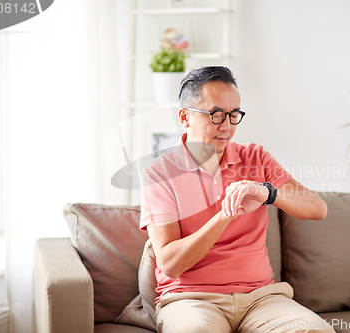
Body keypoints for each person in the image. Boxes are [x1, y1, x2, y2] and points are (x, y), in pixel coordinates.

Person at [140, 66, 335, 333]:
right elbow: (171, 264)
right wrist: (225, 214)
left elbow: (317, 208)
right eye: (216, 115)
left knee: (315, 330)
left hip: (261, 298)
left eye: (234, 115)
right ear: (185, 117)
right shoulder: (159, 173)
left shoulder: (255, 157)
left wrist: (268, 192)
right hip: (191, 299)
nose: (227, 127)